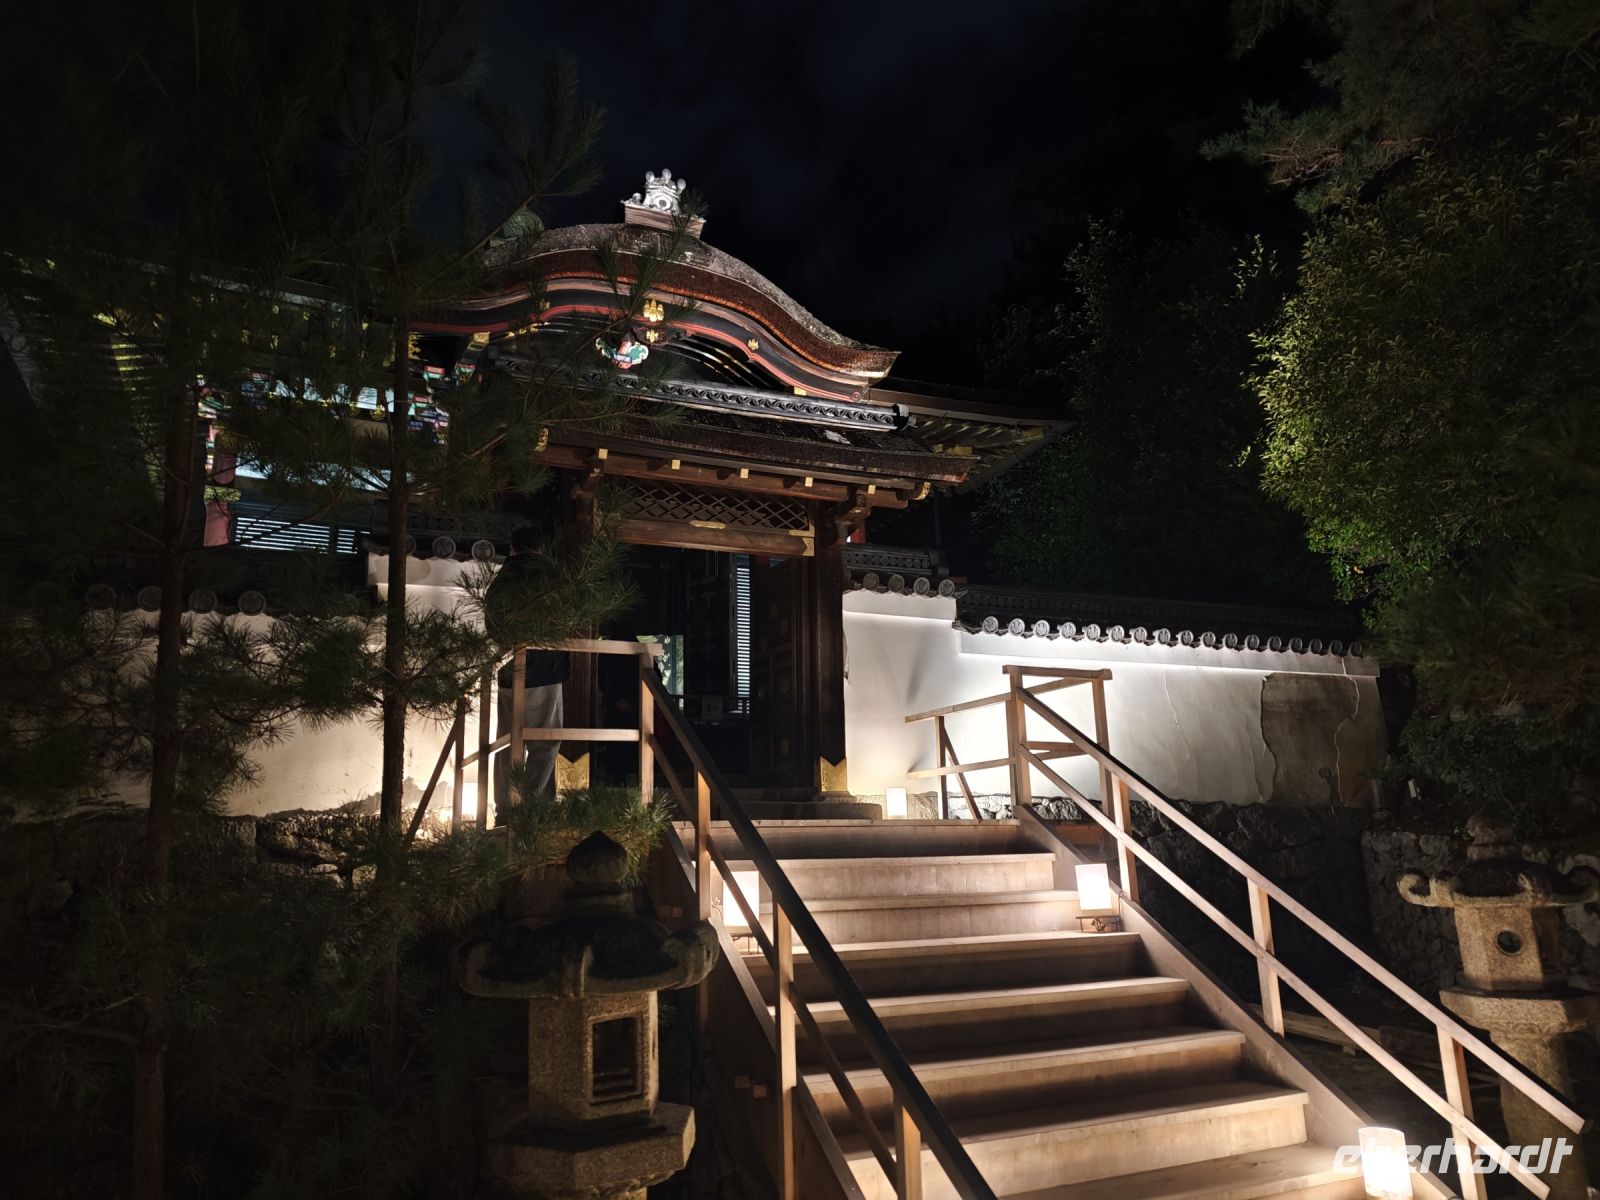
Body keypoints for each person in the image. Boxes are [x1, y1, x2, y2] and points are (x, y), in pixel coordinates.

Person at [482, 524, 570, 820]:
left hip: (507, 668)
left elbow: (492, 625)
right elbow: (565, 617)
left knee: (507, 742)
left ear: (512, 547)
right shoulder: (550, 574)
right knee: (545, 741)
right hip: (544, 667)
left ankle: (505, 809)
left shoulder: (503, 578)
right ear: (542, 547)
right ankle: (532, 810)